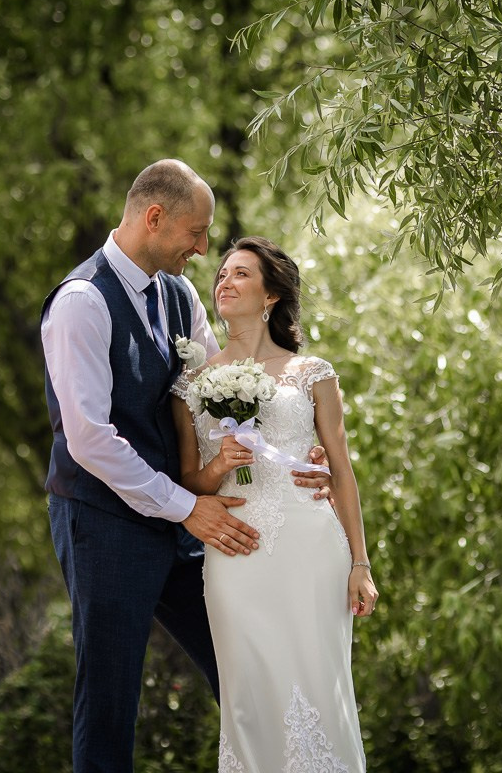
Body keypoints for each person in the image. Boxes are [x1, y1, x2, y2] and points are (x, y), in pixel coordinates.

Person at [40, 160, 331, 772]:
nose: (203, 248)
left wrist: (295, 442)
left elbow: (221, 397)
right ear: (154, 218)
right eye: (196, 233)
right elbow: (89, 439)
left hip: (180, 515)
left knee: (245, 663)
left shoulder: (179, 294)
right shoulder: (82, 303)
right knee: (110, 697)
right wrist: (187, 507)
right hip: (104, 522)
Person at [172, 236, 379, 771]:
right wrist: (220, 466)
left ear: (270, 297)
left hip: (311, 548)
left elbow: (340, 469)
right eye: (221, 274)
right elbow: (189, 483)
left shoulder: (313, 373)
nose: (225, 282)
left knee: (318, 682)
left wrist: (361, 563)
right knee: (246, 692)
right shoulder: (190, 384)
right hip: (235, 551)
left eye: (241, 274)